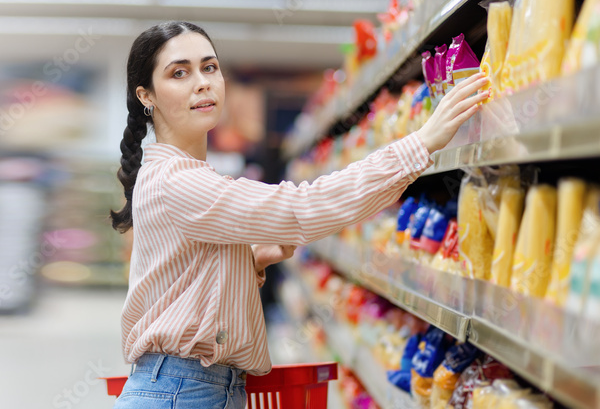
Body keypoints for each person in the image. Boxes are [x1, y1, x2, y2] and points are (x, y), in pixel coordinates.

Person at [109, 21, 488, 408]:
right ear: (147, 96)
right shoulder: (177, 181)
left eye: (209, 67)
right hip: (183, 390)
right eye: (179, 73)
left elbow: (179, 280)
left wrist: (248, 259)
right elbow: (302, 207)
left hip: (190, 387)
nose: (202, 82)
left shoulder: (180, 176)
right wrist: (420, 144)